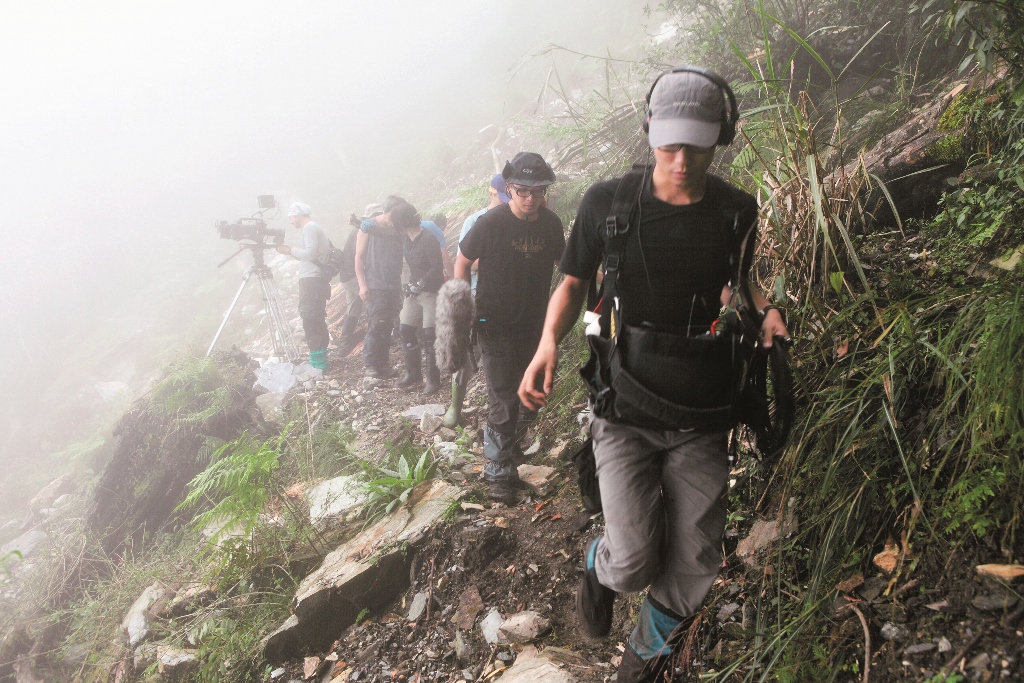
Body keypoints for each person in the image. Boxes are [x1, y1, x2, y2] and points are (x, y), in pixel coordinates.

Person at [517, 68, 789, 682]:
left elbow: (743, 285)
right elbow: (572, 285)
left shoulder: (735, 211)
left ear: (723, 137)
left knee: (695, 562)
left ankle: (639, 665)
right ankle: (600, 564)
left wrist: (765, 313)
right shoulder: (606, 205)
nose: (683, 160)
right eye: (670, 145)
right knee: (634, 558)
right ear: (648, 133)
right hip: (626, 409)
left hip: (703, 412)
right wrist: (545, 345)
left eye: (698, 145)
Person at [455, 153, 565, 502]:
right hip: (493, 323)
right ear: (509, 188)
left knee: (533, 394)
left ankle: (508, 444)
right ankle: (498, 471)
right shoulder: (490, 223)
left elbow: (568, 264)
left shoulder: (550, 224)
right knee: (503, 396)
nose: (530, 198)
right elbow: (461, 262)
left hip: (535, 325)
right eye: (522, 191)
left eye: (538, 191)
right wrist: (462, 307)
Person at [442, 174, 510, 428]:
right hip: (475, 293)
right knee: (465, 350)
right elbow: (466, 260)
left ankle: (504, 409)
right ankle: (455, 406)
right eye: (503, 198)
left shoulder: (516, 219)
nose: (506, 203)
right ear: (491, 193)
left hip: (505, 297)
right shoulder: (475, 221)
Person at [390, 202, 445, 393]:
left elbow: (437, 268)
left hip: (431, 291)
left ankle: (433, 379)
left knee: (430, 336)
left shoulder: (428, 238)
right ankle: (413, 373)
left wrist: (420, 283)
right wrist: (409, 286)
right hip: (415, 291)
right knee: (405, 329)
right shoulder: (406, 239)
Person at [277, 202, 333, 371]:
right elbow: (309, 256)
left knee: (310, 317)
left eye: (291, 216)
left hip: (311, 280)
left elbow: (309, 254)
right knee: (314, 316)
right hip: (313, 278)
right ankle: (320, 357)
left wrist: (290, 251)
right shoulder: (312, 228)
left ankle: (318, 362)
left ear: (298, 215)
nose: (290, 220)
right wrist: (292, 252)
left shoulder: (309, 228)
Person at [355, 196, 407, 378]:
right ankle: (370, 365)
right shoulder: (367, 226)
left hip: (393, 282)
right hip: (374, 282)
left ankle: (383, 364)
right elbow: (359, 257)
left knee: (388, 325)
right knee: (377, 323)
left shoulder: (397, 228)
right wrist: (362, 284)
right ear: (387, 210)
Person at [335, 203, 383, 357]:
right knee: (375, 301)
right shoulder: (365, 231)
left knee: (353, 310)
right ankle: (375, 339)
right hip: (354, 275)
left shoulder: (359, 228)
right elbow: (362, 257)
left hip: (346, 276)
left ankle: (344, 345)